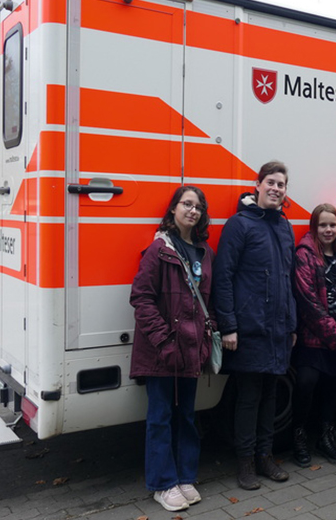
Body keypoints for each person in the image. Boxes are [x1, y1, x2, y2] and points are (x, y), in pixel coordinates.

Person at [212, 161, 297, 490]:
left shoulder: (284, 227)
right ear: (258, 185)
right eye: (271, 183)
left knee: (271, 396)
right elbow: (223, 279)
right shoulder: (239, 225)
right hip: (249, 329)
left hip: (278, 329)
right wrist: (228, 326)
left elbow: (286, 280)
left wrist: (291, 325)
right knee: (248, 397)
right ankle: (245, 462)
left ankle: (266, 457)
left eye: (282, 184)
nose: (276, 189)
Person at [129, 186, 214, 512]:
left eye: (198, 207)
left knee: (187, 417)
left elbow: (210, 301)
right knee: (161, 418)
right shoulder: (159, 249)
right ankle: (162, 484)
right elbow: (141, 298)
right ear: (174, 209)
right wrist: (164, 341)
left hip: (192, 351)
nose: (193, 211)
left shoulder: (205, 251)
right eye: (187, 204)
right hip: (161, 352)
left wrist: (208, 338)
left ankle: (185, 477)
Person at [291, 204, 336, 467]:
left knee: (333, 385)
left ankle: (326, 436)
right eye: (322, 225)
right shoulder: (305, 255)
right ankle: (298, 436)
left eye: (332, 225)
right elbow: (308, 300)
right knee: (306, 383)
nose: (328, 230)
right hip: (315, 336)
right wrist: (335, 335)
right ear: (314, 227)